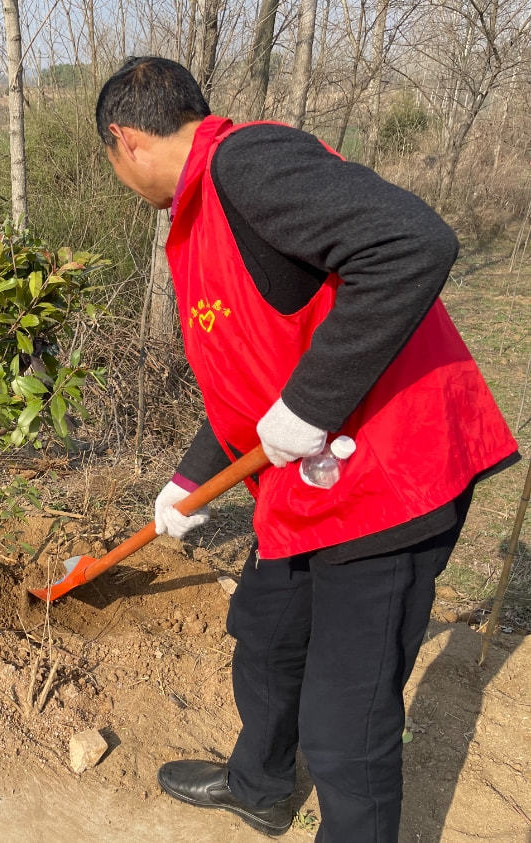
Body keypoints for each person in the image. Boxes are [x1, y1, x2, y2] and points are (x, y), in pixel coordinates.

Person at [96, 57, 519, 840]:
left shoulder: (247, 163)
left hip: (390, 478)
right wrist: (190, 476)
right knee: (267, 628)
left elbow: (414, 243)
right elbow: (249, 369)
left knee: (344, 722)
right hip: (309, 480)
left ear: (123, 140)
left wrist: (310, 404)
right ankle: (258, 784)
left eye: (112, 166)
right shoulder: (202, 216)